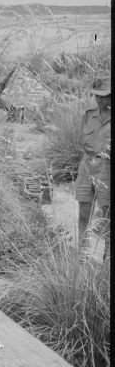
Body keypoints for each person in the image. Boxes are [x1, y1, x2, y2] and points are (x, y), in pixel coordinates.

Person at [75, 76, 110, 261]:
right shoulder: (89, 115)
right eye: (97, 96)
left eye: (104, 96)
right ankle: (83, 253)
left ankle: (108, 255)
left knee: (107, 214)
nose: (100, 100)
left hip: (107, 168)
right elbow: (83, 141)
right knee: (83, 212)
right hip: (87, 165)